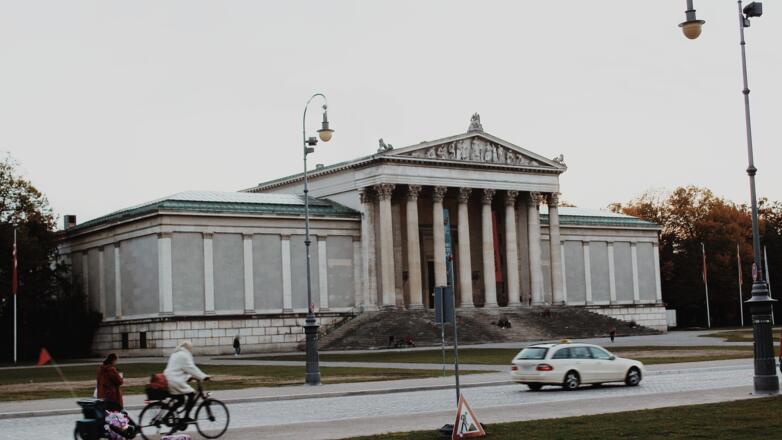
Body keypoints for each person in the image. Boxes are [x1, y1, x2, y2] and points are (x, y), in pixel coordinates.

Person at [164, 340, 209, 422]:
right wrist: (203, 376)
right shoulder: (184, 355)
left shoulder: (176, 354)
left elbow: (180, 368)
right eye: (191, 348)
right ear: (188, 348)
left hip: (168, 379)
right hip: (175, 381)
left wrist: (189, 377)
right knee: (192, 395)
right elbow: (191, 368)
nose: (191, 349)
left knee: (181, 400)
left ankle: (167, 417)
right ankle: (186, 417)